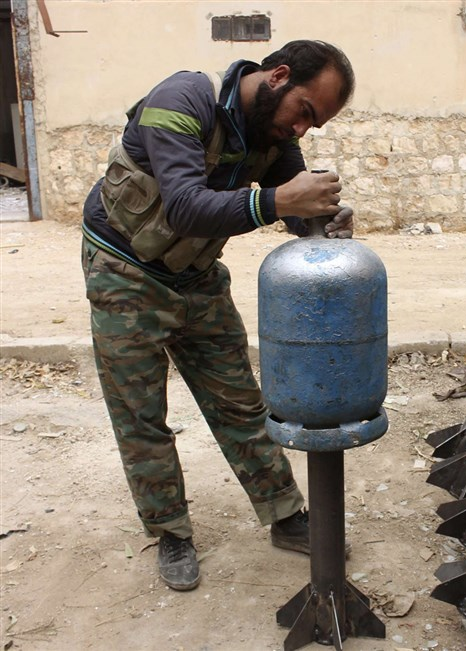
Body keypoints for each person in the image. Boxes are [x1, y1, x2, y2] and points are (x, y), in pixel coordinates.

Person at [80, 40, 355, 591]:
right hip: (124, 270)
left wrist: (321, 218)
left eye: (315, 124)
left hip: (196, 276)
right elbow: (183, 205)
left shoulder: (272, 133)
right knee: (141, 413)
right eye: (305, 112)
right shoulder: (183, 99)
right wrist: (278, 202)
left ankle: (283, 514)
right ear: (277, 76)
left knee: (240, 401)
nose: (302, 131)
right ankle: (171, 532)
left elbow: (291, 208)